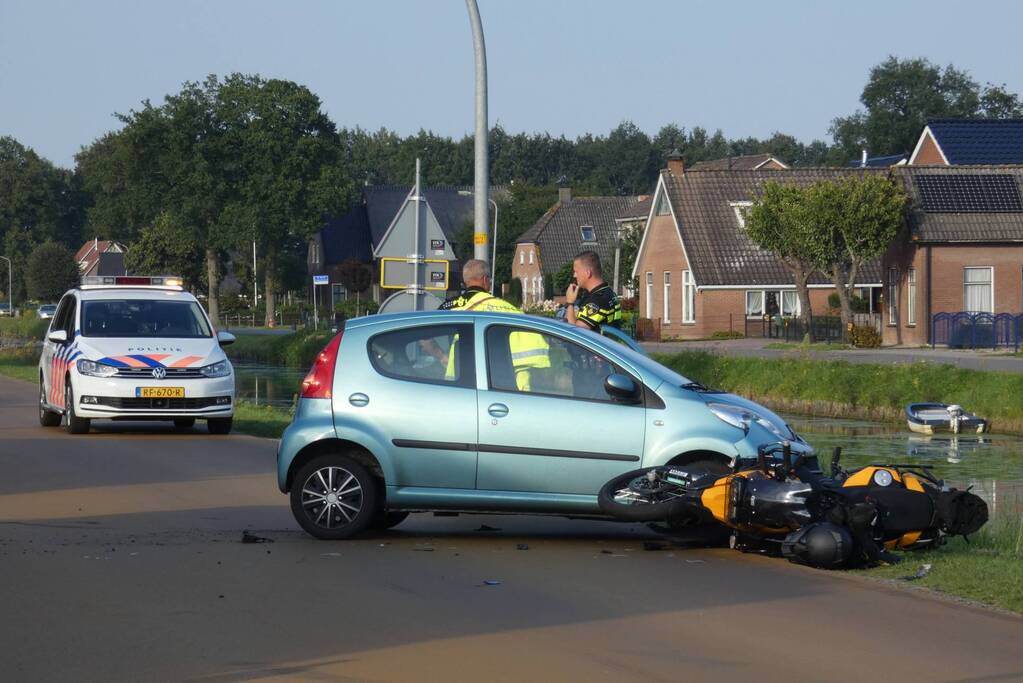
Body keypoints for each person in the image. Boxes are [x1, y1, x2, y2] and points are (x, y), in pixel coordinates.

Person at [438, 259, 549, 390]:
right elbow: (537, 346)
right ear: (485, 280)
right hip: (509, 390)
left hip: (461, 386)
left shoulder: (449, 307)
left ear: (466, 280)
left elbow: (424, 337)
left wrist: (441, 356)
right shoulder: (509, 309)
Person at [564, 250, 622, 331]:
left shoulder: (598, 300)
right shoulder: (606, 291)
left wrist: (570, 303)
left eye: (576, 271)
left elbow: (576, 333)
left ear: (588, 273)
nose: (574, 275)